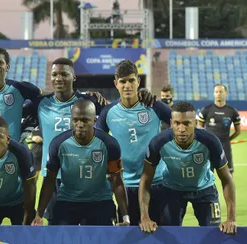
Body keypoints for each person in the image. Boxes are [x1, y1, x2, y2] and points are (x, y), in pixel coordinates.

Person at [139, 101, 237, 235]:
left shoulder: (210, 141)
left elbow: (226, 179)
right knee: (169, 234)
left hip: (204, 190)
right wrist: (144, 217)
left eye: (187, 123)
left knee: (214, 234)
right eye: (177, 123)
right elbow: (145, 179)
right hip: (172, 190)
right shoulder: (158, 142)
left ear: (195, 123)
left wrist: (231, 218)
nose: (181, 129)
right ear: (171, 122)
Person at [96, 60, 171, 226]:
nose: (127, 85)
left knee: (162, 236)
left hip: (156, 182)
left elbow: (180, 124)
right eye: (123, 81)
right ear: (116, 84)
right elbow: (96, 142)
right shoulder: (108, 113)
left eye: (131, 80)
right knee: (130, 239)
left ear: (139, 81)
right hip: (125, 187)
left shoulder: (154, 106)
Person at [32, 99, 129, 226]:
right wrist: (38, 214)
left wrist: (125, 217)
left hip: (100, 201)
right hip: (68, 201)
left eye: (84, 120)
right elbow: (50, 180)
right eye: (75, 120)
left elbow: (117, 181)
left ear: (94, 121)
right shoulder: (58, 144)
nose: (79, 124)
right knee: (62, 243)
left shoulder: (109, 144)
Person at [198, 84, 241, 174]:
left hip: (225, 147)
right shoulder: (206, 110)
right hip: (209, 146)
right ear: (213, 94)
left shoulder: (232, 111)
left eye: (221, 91)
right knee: (207, 175)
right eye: (216, 92)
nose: (218, 94)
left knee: (228, 175)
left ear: (226, 93)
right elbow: (199, 129)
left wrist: (227, 140)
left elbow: (238, 131)